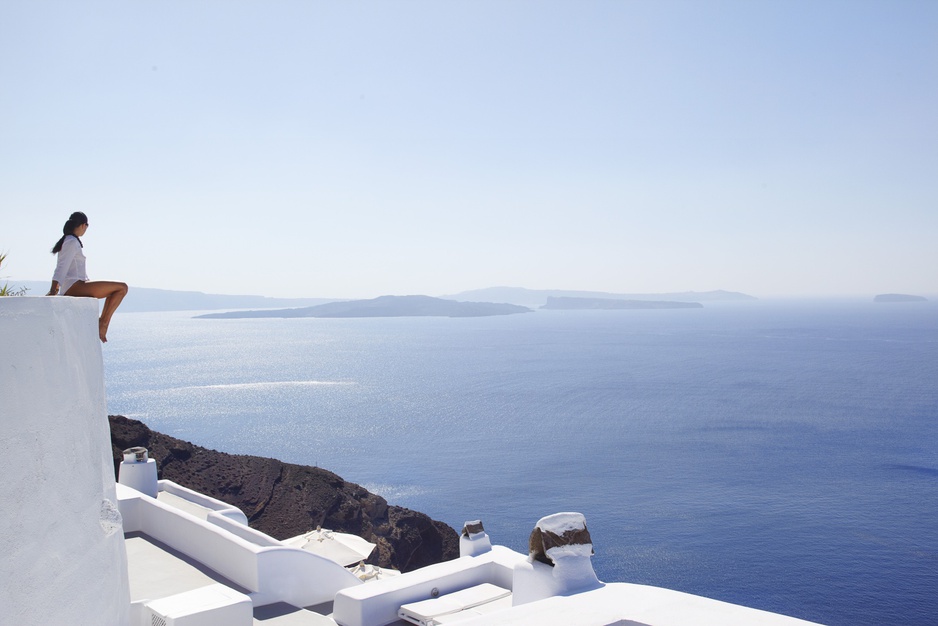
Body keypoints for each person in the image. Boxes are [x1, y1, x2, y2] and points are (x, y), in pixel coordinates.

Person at [47, 212, 128, 342]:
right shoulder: (71, 241)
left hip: (76, 284)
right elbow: (61, 268)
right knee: (122, 288)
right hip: (74, 286)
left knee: (120, 288)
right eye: (87, 226)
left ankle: (102, 322)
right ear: (83, 225)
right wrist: (52, 290)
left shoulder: (70, 240)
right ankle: (103, 323)